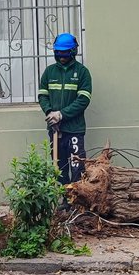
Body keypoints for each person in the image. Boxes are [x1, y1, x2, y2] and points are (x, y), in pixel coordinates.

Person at [38, 33, 92, 185]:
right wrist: (50, 113)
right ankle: (65, 200)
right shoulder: (49, 72)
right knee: (59, 167)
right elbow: (43, 96)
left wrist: (61, 115)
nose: (62, 56)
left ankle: (77, 201)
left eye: (65, 52)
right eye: (59, 52)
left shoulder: (82, 73)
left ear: (73, 51)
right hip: (56, 129)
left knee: (77, 166)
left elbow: (83, 100)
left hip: (75, 129)